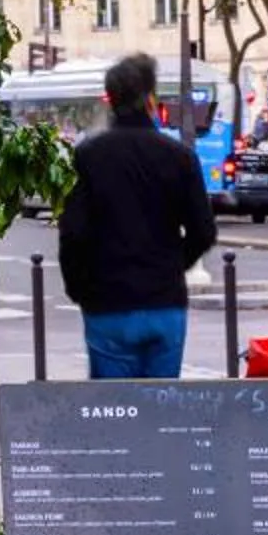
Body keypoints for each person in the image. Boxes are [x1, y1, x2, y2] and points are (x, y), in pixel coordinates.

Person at [58, 52, 216, 381]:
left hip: (108, 302)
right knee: (161, 412)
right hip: (164, 302)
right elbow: (203, 231)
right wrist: (172, 265)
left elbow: (73, 234)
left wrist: (81, 289)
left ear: (110, 100)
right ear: (151, 98)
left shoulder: (88, 157)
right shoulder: (179, 157)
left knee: (115, 414)